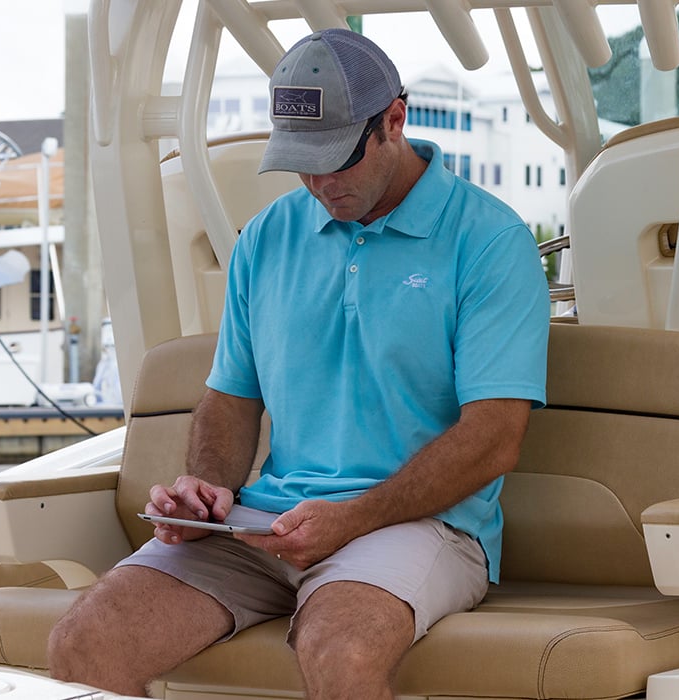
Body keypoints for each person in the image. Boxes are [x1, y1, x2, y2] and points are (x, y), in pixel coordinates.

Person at [47, 28, 550, 699]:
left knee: (340, 651)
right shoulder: (265, 237)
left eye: (336, 159)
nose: (319, 183)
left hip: (421, 526)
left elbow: (494, 437)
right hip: (269, 521)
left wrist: (351, 519)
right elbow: (232, 399)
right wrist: (205, 491)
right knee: (84, 641)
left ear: (393, 120)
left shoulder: (490, 240)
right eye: (302, 163)